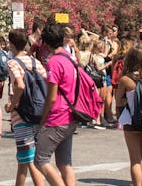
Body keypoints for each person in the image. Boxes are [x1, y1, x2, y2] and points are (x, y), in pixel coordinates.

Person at [35, 23, 78, 186]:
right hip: (72, 114)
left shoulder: (54, 61)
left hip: (57, 116)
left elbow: (51, 97)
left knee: (40, 159)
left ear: (45, 43)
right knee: (65, 163)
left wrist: (43, 119)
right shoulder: (70, 57)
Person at [4, 28, 46, 186]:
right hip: (38, 112)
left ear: (11, 44)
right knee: (24, 159)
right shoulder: (36, 61)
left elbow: (20, 86)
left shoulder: (13, 63)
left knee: (29, 160)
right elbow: (46, 82)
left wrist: (12, 105)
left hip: (21, 115)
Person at [115, 40, 142, 186]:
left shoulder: (126, 80)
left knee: (135, 159)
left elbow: (118, 101)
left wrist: (122, 107)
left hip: (131, 121)